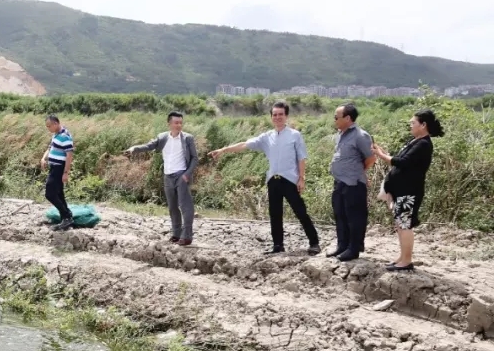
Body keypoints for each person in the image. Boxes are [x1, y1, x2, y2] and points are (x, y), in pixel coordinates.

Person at [209, 101, 320, 255]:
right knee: (275, 214)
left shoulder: (295, 135)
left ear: (286, 116)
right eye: (274, 114)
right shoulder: (267, 137)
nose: (277, 117)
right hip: (273, 180)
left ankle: (314, 242)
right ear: (271, 117)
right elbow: (245, 144)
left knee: (300, 211)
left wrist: (302, 178)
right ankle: (278, 245)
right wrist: (223, 150)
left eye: (281, 114)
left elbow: (301, 158)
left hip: (290, 179)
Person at [371, 108, 442, 272]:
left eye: (413, 123)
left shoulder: (423, 144)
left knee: (404, 225)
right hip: (403, 191)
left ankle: (406, 261)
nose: (410, 125)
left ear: (423, 125)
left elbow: (401, 162)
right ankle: (402, 258)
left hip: (409, 191)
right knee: (400, 224)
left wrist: (381, 155)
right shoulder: (416, 141)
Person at [124, 111, 198, 245]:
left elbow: (195, 158)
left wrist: (187, 174)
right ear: (169, 123)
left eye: (181, 122)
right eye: (176, 122)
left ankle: (187, 236)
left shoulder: (188, 138)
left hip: (181, 175)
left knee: (185, 206)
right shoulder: (163, 137)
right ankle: (176, 234)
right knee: (172, 207)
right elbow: (149, 145)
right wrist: (134, 149)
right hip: (167, 176)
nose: (179, 125)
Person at [327, 103, 375, 261]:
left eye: (336, 117)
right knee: (340, 214)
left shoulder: (361, 135)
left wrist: (357, 172)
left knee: (355, 217)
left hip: (353, 183)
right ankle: (342, 245)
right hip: (339, 182)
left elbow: (370, 158)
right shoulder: (341, 134)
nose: (334, 120)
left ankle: (353, 249)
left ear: (348, 118)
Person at [40, 115, 74, 231]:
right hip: (53, 167)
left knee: (49, 194)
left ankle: (67, 216)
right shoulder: (56, 134)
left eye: (49, 126)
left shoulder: (65, 136)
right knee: (59, 194)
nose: (48, 128)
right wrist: (44, 158)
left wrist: (66, 172)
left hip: (59, 169)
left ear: (55, 123)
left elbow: (69, 156)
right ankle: (66, 218)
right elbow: (50, 147)